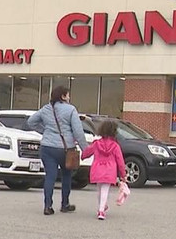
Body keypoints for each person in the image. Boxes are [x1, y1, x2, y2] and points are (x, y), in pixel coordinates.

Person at [27, 86, 90, 215]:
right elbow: (78, 132)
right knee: (66, 175)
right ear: (62, 96)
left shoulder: (46, 109)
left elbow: (31, 122)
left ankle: (47, 206)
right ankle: (65, 204)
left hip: (47, 147)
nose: (69, 97)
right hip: (65, 148)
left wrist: (45, 131)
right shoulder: (71, 109)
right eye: (67, 95)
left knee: (50, 176)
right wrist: (85, 149)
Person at [81, 119, 127, 220]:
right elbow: (120, 161)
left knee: (99, 189)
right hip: (110, 170)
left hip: (97, 168)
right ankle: (101, 210)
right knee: (105, 190)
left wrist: (83, 156)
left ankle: (101, 206)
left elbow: (87, 152)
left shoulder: (97, 144)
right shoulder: (115, 146)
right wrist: (123, 175)